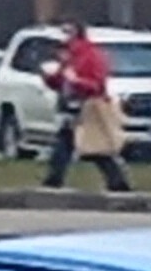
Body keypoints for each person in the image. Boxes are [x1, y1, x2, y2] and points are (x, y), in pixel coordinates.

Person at [41, 21, 132, 192]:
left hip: (88, 107)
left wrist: (77, 82)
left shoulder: (90, 55)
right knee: (65, 142)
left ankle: (118, 182)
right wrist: (50, 77)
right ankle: (54, 179)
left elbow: (97, 85)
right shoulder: (69, 57)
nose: (63, 37)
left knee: (95, 147)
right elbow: (61, 82)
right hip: (71, 106)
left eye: (68, 32)